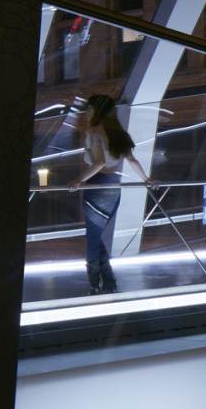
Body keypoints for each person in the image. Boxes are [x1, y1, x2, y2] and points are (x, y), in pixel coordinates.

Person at [70, 95, 148, 296]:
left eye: (88, 109)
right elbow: (132, 160)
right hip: (114, 188)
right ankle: (109, 282)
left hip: (97, 187)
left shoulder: (94, 131)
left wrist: (78, 180)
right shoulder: (117, 133)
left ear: (95, 110)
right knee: (96, 236)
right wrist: (147, 179)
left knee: (92, 238)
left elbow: (99, 163)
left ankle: (95, 284)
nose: (86, 113)